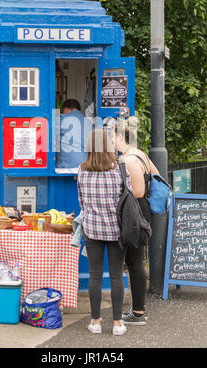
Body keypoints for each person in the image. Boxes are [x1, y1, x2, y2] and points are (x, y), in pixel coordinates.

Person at [77, 129, 132, 336]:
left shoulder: (82, 170)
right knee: (117, 275)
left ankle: (96, 321)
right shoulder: (119, 169)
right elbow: (125, 197)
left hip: (92, 229)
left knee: (95, 276)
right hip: (116, 229)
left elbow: (82, 201)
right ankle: (117, 323)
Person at [113, 116, 159, 325]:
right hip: (144, 213)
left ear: (121, 136)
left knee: (134, 262)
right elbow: (157, 177)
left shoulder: (129, 160)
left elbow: (138, 192)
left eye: (113, 136)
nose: (112, 140)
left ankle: (138, 312)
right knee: (135, 261)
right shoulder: (141, 155)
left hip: (135, 214)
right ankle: (138, 309)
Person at [56, 99, 93, 168]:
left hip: (66, 167)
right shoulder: (89, 123)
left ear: (66, 108)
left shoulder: (62, 118)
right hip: (86, 167)